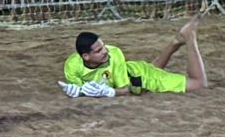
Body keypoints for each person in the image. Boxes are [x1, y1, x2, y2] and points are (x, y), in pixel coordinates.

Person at [60, 15, 210, 98]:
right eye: (99, 51)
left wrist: (107, 92)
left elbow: (124, 90)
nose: (105, 51)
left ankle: (190, 38)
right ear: (85, 56)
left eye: (103, 46)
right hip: (132, 70)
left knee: (198, 84)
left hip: (141, 79)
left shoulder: (114, 53)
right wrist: (79, 92)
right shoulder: (72, 66)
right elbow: (81, 88)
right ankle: (176, 42)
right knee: (153, 68)